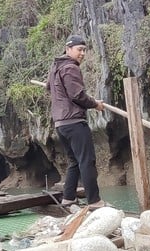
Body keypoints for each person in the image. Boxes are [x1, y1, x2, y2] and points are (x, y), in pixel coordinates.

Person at [45, 34, 107, 210]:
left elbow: (49, 87)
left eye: (84, 50)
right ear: (68, 48)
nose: (82, 53)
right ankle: (94, 201)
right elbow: (77, 95)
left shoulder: (56, 66)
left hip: (61, 124)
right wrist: (95, 104)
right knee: (87, 160)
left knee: (74, 161)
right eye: (79, 49)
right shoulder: (70, 68)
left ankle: (68, 198)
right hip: (73, 121)